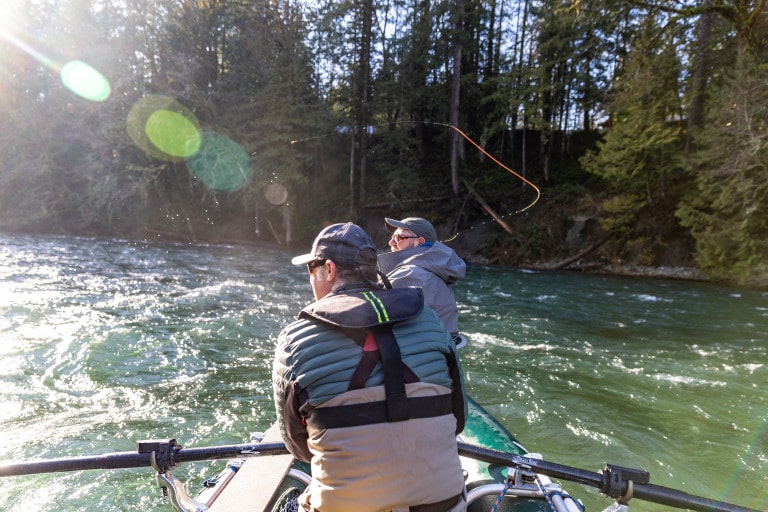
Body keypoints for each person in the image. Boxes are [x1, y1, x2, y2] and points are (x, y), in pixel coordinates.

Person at [273, 222, 468, 512]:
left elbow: (297, 446)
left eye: (311, 270)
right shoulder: (431, 321)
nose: (310, 278)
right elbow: (459, 417)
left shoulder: (293, 339)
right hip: (443, 504)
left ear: (329, 269)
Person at [378, 217, 466, 344]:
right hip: (438, 347)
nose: (391, 242)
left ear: (419, 242)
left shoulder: (410, 274)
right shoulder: (433, 267)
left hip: (416, 351)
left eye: (399, 237)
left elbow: (371, 311)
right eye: (392, 236)